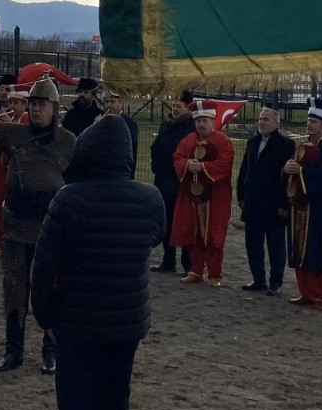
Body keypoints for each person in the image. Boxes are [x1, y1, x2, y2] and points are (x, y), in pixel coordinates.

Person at [31, 115, 168, 410]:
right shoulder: (150, 198)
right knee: (115, 401)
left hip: (76, 320)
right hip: (127, 319)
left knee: (76, 403)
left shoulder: (69, 198)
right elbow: (155, 237)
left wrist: (45, 318)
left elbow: (44, 266)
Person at [0, 76, 77, 375]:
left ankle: (51, 350)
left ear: (54, 108)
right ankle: (13, 350)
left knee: (52, 289)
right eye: (33, 104)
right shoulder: (15, 134)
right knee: (14, 288)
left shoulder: (67, 141)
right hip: (15, 227)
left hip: (50, 230)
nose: (37, 109)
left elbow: (79, 180)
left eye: (43, 104)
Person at [170, 100, 235, 287]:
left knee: (214, 235)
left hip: (215, 196)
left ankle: (215, 274)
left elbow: (225, 164)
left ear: (212, 121)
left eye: (205, 121)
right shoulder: (188, 140)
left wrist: (204, 167)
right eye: (198, 121)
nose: (201, 124)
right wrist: (187, 165)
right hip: (191, 196)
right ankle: (196, 270)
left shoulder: (223, 141)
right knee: (194, 232)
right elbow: (177, 158)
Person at [284, 98, 322, 309]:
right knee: (300, 250)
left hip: (320, 210)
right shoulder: (303, 147)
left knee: (320, 251)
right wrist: (289, 169)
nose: (309, 125)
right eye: (308, 121)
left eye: (314, 122)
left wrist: (301, 171)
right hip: (300, 208)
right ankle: (306, 292)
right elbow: (295, 173)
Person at [237, 106, 294, 294]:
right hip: (252, 201)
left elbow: (287, 178)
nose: (262, 122)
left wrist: (283, 204)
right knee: (253, 244)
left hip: (273, 203)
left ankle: (276, 281)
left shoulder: (286, 145)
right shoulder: (252, 142)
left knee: (275, 245)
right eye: (260, 119)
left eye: (266, 119)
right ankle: (258, 279)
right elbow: (244, 170)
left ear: (276, 123)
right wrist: (241, 195)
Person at [148, 93, 196, 273]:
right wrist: (155, 164)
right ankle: (168, 261)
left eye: (179, 106)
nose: (175, 109)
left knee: (184, 221)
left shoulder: (191, 128)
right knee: (166, 221)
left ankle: (188, 263)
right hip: (163, 179)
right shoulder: (166, 125)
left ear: (188, 108)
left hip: (182, 181)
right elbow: (156, 145)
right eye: (173, 106)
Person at [0, 87, 28, 255]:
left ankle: (11, 245)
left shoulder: (26, 120)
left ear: (25, 104)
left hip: (17, 170)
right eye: (10, 102)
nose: (12, 106)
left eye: (16, 103)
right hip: (0, 166)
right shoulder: (7, 119)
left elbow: (22, 143)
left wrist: (9, 126)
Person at [100, 91, 140, 178]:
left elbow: (126, 146)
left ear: (120, 103)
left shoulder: (129, 122)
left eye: (113, 101)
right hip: (104, 172)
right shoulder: (101, 121)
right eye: (107, 102)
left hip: (123, 172)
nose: (109, 105)